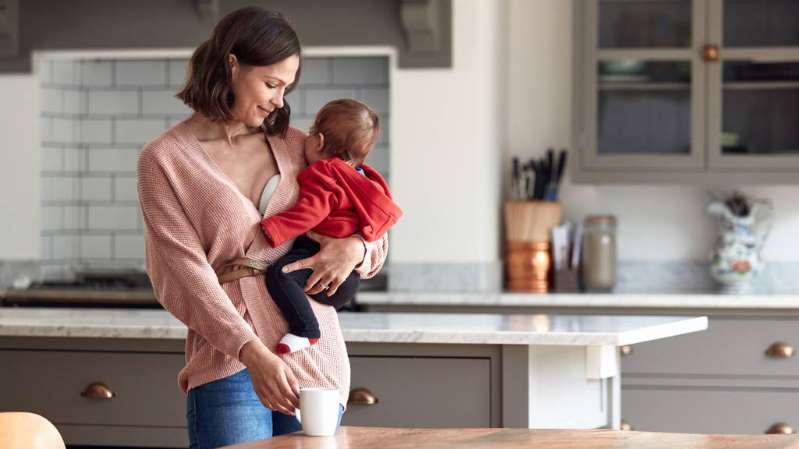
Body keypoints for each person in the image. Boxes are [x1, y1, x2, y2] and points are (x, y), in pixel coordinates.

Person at [136, 7, 388, 449]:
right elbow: (185, 273)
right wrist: (251, 353)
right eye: (271, 84)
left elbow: (369, 217)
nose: (278, 100)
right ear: (232, 66)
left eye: (285, 88)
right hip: (229, 362)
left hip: (316, 359)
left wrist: (356, 249)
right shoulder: (165, 161)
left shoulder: (296, 145)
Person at [261, 99, 402, 355]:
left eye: (313, 131)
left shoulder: (324, 173)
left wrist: (272, 229)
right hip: (348, 280)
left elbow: (310, 213)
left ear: (320, 141)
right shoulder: (364, 177)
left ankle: (306, 330)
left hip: (318, 261)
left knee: (279, 274)